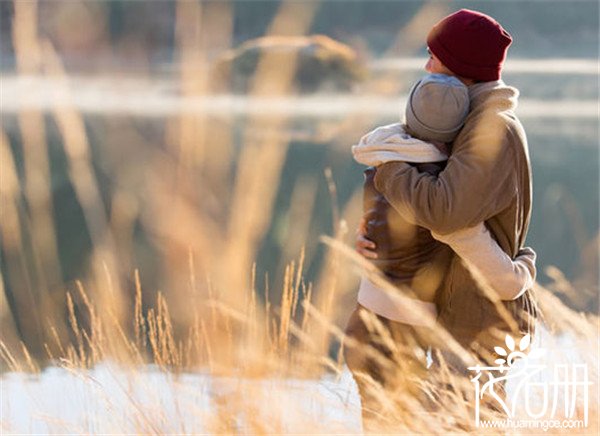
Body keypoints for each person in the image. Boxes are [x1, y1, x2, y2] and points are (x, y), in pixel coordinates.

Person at [350, 8, 539, 427]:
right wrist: (375, 236)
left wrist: (388, 168)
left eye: (434, 56)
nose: (426, 66)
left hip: (481, 324)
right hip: (460, 313)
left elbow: (445, 212)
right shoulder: (468, 123)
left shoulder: (492, 129)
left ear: (462, 69)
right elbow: (439, 215)